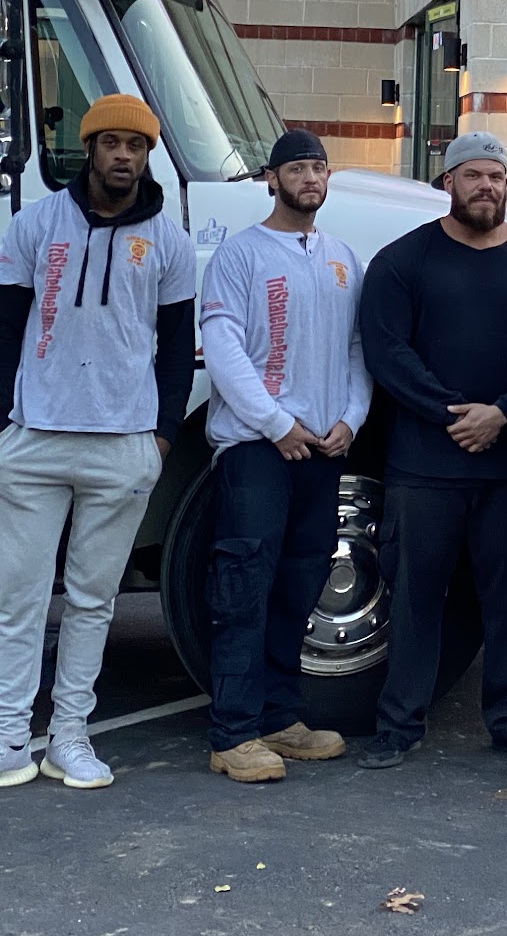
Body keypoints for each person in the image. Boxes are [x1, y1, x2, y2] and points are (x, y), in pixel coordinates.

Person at [357, 132, 507, 769]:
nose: (486, 187)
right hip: (424, 467)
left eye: (496, 177)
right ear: (448, 182)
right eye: (473, 176)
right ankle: (398, 725)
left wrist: (502, 413)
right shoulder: (402, 262)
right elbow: (386, 352)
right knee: (414, 599)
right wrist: (454, 413)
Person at [0, 96, 195, 792]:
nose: (123, 156)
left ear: (147, 156)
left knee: (93, 600)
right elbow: (5, 326)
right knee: (19, 599)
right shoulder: (35, 224)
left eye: (135, 146)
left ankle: (71, 736)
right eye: (111, 143)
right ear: (88, 148)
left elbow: (178, 348)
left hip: (123, 442)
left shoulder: (169, 241)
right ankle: (9, 733)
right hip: (36, 436)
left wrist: (162, 438)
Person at [200, 130, 372, 783]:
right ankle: (232, 733)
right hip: (255, 448)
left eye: (318, 168)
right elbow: (224, 349)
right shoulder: (239, 255)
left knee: (300, 587)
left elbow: (357, 350)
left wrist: (350, 419)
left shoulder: (342, 259)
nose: (309, 178)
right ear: (272, 179)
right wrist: (276, 424)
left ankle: (278, 717)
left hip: (322, 449)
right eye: (296, 168)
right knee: (244, 587)